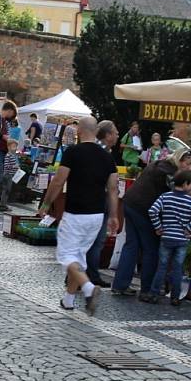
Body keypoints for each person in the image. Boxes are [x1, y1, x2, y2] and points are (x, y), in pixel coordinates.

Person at [112, 148, 191, 301]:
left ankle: (120, 285)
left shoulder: (160, 163)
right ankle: (147, 290)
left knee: (131, 245)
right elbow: (190, 194)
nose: (189, 167)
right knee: (151, 250)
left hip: (130, 203)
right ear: (179, 160)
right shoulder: (170, 173)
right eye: (187, 164)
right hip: (144, 209)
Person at [38, 116, 119, 314]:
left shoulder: (73, 152)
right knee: (79, 256)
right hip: (97, 215)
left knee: (66, 256)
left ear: (79, 131)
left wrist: (46, 203)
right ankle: (69, 299)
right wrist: (114, 216)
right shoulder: (107, 157)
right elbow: (113, 189)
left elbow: (58, 181)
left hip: (76, 213)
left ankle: (89, 287)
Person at [148, 171, 191, 306]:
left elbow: (153, 210)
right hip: (182, 239)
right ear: (185, 184)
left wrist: (158, 227)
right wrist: (189, 228)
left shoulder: (165, 197)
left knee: (161, 266)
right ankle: (175, 297)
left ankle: (154, 294)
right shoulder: (190, 200)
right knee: (178, 268)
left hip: (166, 236)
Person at [83, 120, 120, 288]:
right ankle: (90, 275)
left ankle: (80, 276)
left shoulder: (99, 150)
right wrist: (113, 213)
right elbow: (110, 187)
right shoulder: (103, 153)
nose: (118, 135)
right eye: (116, 132)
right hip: (98, 202)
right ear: (108, 135)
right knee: (95, 241)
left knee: (88, 241)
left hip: (90, 201)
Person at [0, 138, 20, 212]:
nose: (15, 148)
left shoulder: (13, 155)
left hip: (11, 175)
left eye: (16, 146)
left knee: (7, 190)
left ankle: (4, 204)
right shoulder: (8, 155)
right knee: (6, 190)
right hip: (8, 175)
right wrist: (14, 166)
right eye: (13, 146)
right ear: (9, 147)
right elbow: (7, 165)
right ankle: (3, 205)